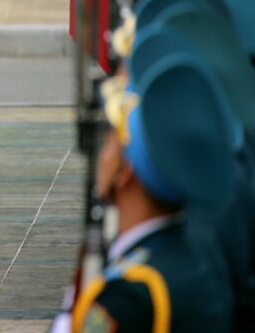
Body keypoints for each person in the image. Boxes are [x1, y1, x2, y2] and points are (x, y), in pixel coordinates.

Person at [71, 60, 237, 331]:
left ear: (126, 171)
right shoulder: (196, 254)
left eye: (110, 143)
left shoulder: (129, 296)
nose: (102, 155)